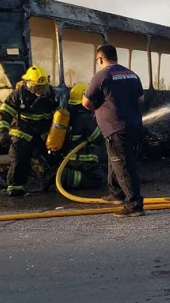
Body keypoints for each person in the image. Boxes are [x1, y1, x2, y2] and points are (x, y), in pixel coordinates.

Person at [82, 44, 146, 217]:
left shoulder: (101, 76)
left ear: (101, 59)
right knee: (115, 160)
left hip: (116, 126)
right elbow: (141, 98)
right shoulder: (132, 74)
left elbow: (86, 103)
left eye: (97, 60)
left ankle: (134, 205)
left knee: (123, 166)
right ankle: (116, 193)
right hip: (134, 125)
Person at [0, 65, 57, 196]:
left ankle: (50, 183)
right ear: (28, 84)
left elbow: (58, 112)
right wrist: (3, 131)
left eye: (43, 87)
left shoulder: (50, 94)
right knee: (20, 159)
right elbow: (5, 113)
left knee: (51, 158)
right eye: (37, 87)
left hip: (42, 133)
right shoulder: (19, 95)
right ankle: (15, 188)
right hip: (22, 132)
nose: (41, 90)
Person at [59, 83, 106, 190]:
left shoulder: (69, 114)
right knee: (97, 178)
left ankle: (65, 174)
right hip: (81, 160)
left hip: (67, 158)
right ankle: (65, 177)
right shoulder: (84, 118)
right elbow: (98, 139)